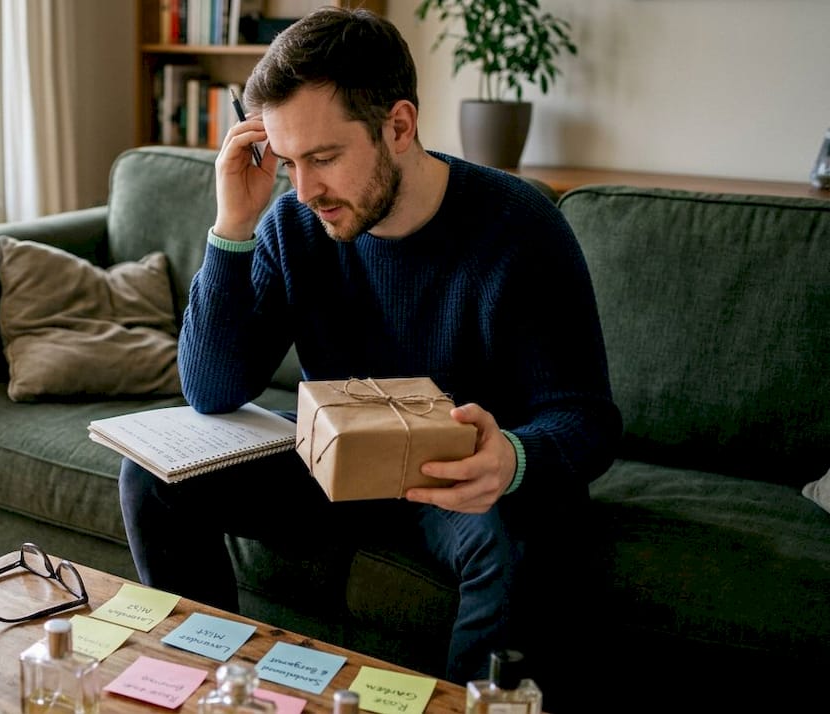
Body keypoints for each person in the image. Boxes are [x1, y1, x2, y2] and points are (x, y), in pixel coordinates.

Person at [118, 6, 621, 705]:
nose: (305, 189)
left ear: (400, 126)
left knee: (526, 536)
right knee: (154, 476)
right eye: (288, 161)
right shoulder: (295, 224)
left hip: (457, 477)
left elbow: (588, 418)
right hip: (336, 462)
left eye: (324, 158)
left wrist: (511, 457)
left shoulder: (521, 229)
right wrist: (233, 225)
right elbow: (212, 389)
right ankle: (212, 690)